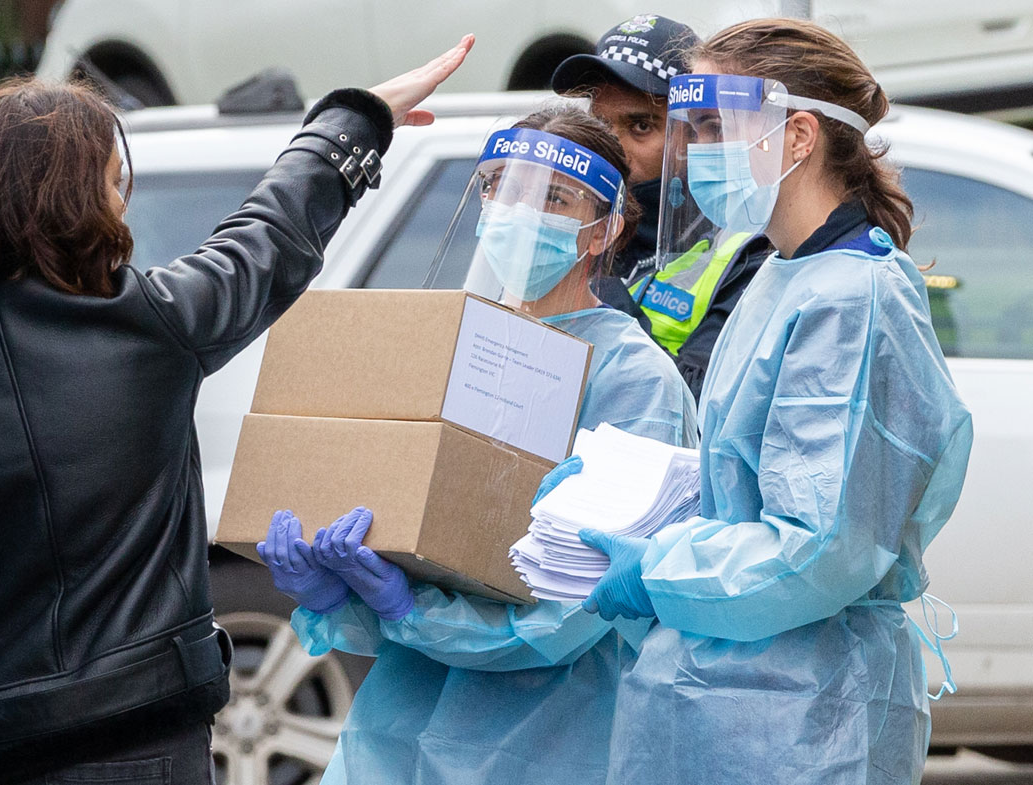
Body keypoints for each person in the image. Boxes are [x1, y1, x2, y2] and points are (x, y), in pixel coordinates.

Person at [0, 37, 474, 785]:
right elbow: (270, 233)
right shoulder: (157, 322)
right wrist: (353, 120)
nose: (124, 201)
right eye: (116, 183)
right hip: (145, 742)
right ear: (82, 203)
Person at [578, 19, 973, 784]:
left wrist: (657, 567)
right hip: (723, 694)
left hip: (804, 716)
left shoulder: (852, 298)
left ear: (797, 135)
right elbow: (747, 480)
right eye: (691, 129)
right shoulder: (784, 274)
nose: (697, 152)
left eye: (714, 127)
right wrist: (627, 498)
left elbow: (817, 551)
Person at [259, 105, 698, 785]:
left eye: (554, 198)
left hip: (552, 741)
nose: (519, 213)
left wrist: (412, 610)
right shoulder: (459, 343)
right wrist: (342, 593)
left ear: (604, 229)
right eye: (502, 188)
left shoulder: (633, 379)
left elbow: (575, 613)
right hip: (396, 737)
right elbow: (418, 546)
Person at [552, 13, 768, 398]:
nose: (613, 149)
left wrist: (596, 291)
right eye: (599, 125)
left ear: (697, 132)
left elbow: (698, 403)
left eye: (640, 126)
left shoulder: (746, 251)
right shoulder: (559, 232)